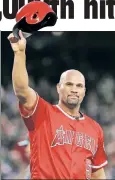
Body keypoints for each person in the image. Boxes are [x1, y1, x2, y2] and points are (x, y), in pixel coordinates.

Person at [8, 31, 108, 179]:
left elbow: (98, 174)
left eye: (79, 86)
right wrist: (20, 53)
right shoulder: (43, 113)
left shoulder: (95, 129)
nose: (74, 89)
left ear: (84, 91)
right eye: (69, 84)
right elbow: (22, 90)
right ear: (58, 88)